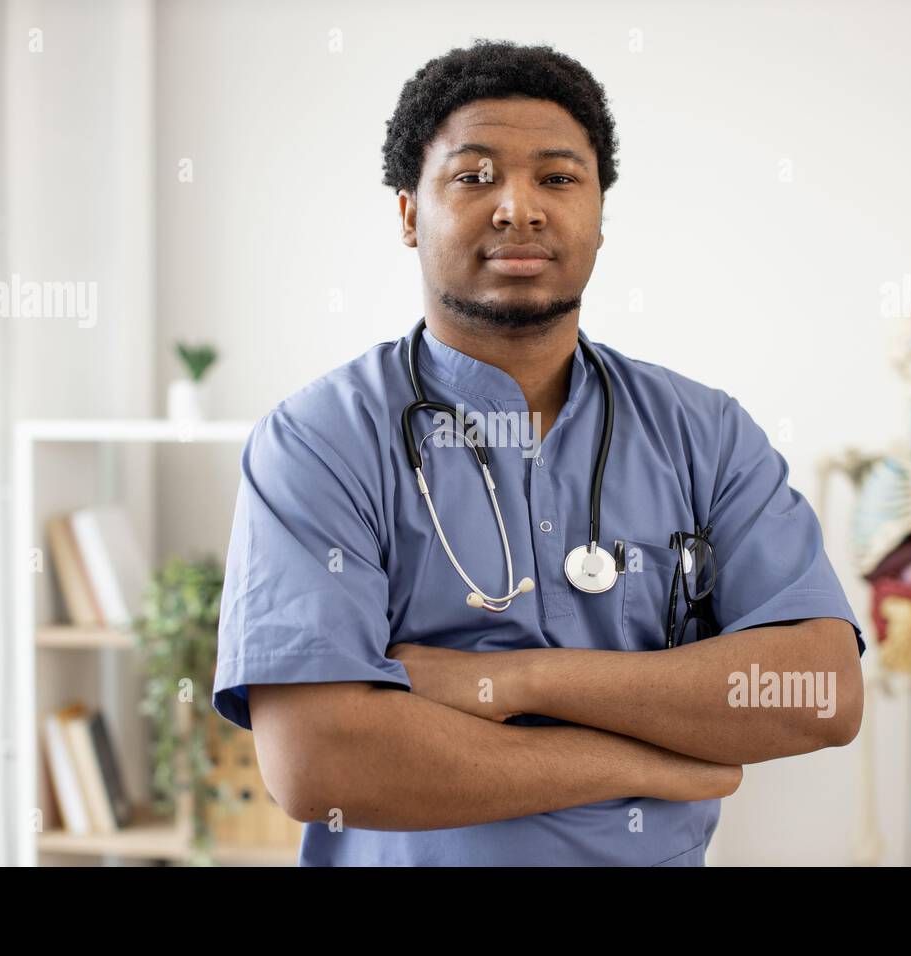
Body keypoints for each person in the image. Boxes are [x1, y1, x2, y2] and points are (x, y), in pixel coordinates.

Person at [212, 40, 865, 866]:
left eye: (557, 178)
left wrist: (515, 682)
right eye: (475, 176)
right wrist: (642, 761)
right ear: (409, 213)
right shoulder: (321, 439)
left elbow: (820, 694)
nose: (518, 207)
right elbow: (319, 761)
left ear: (598, 213)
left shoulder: (706, 432)